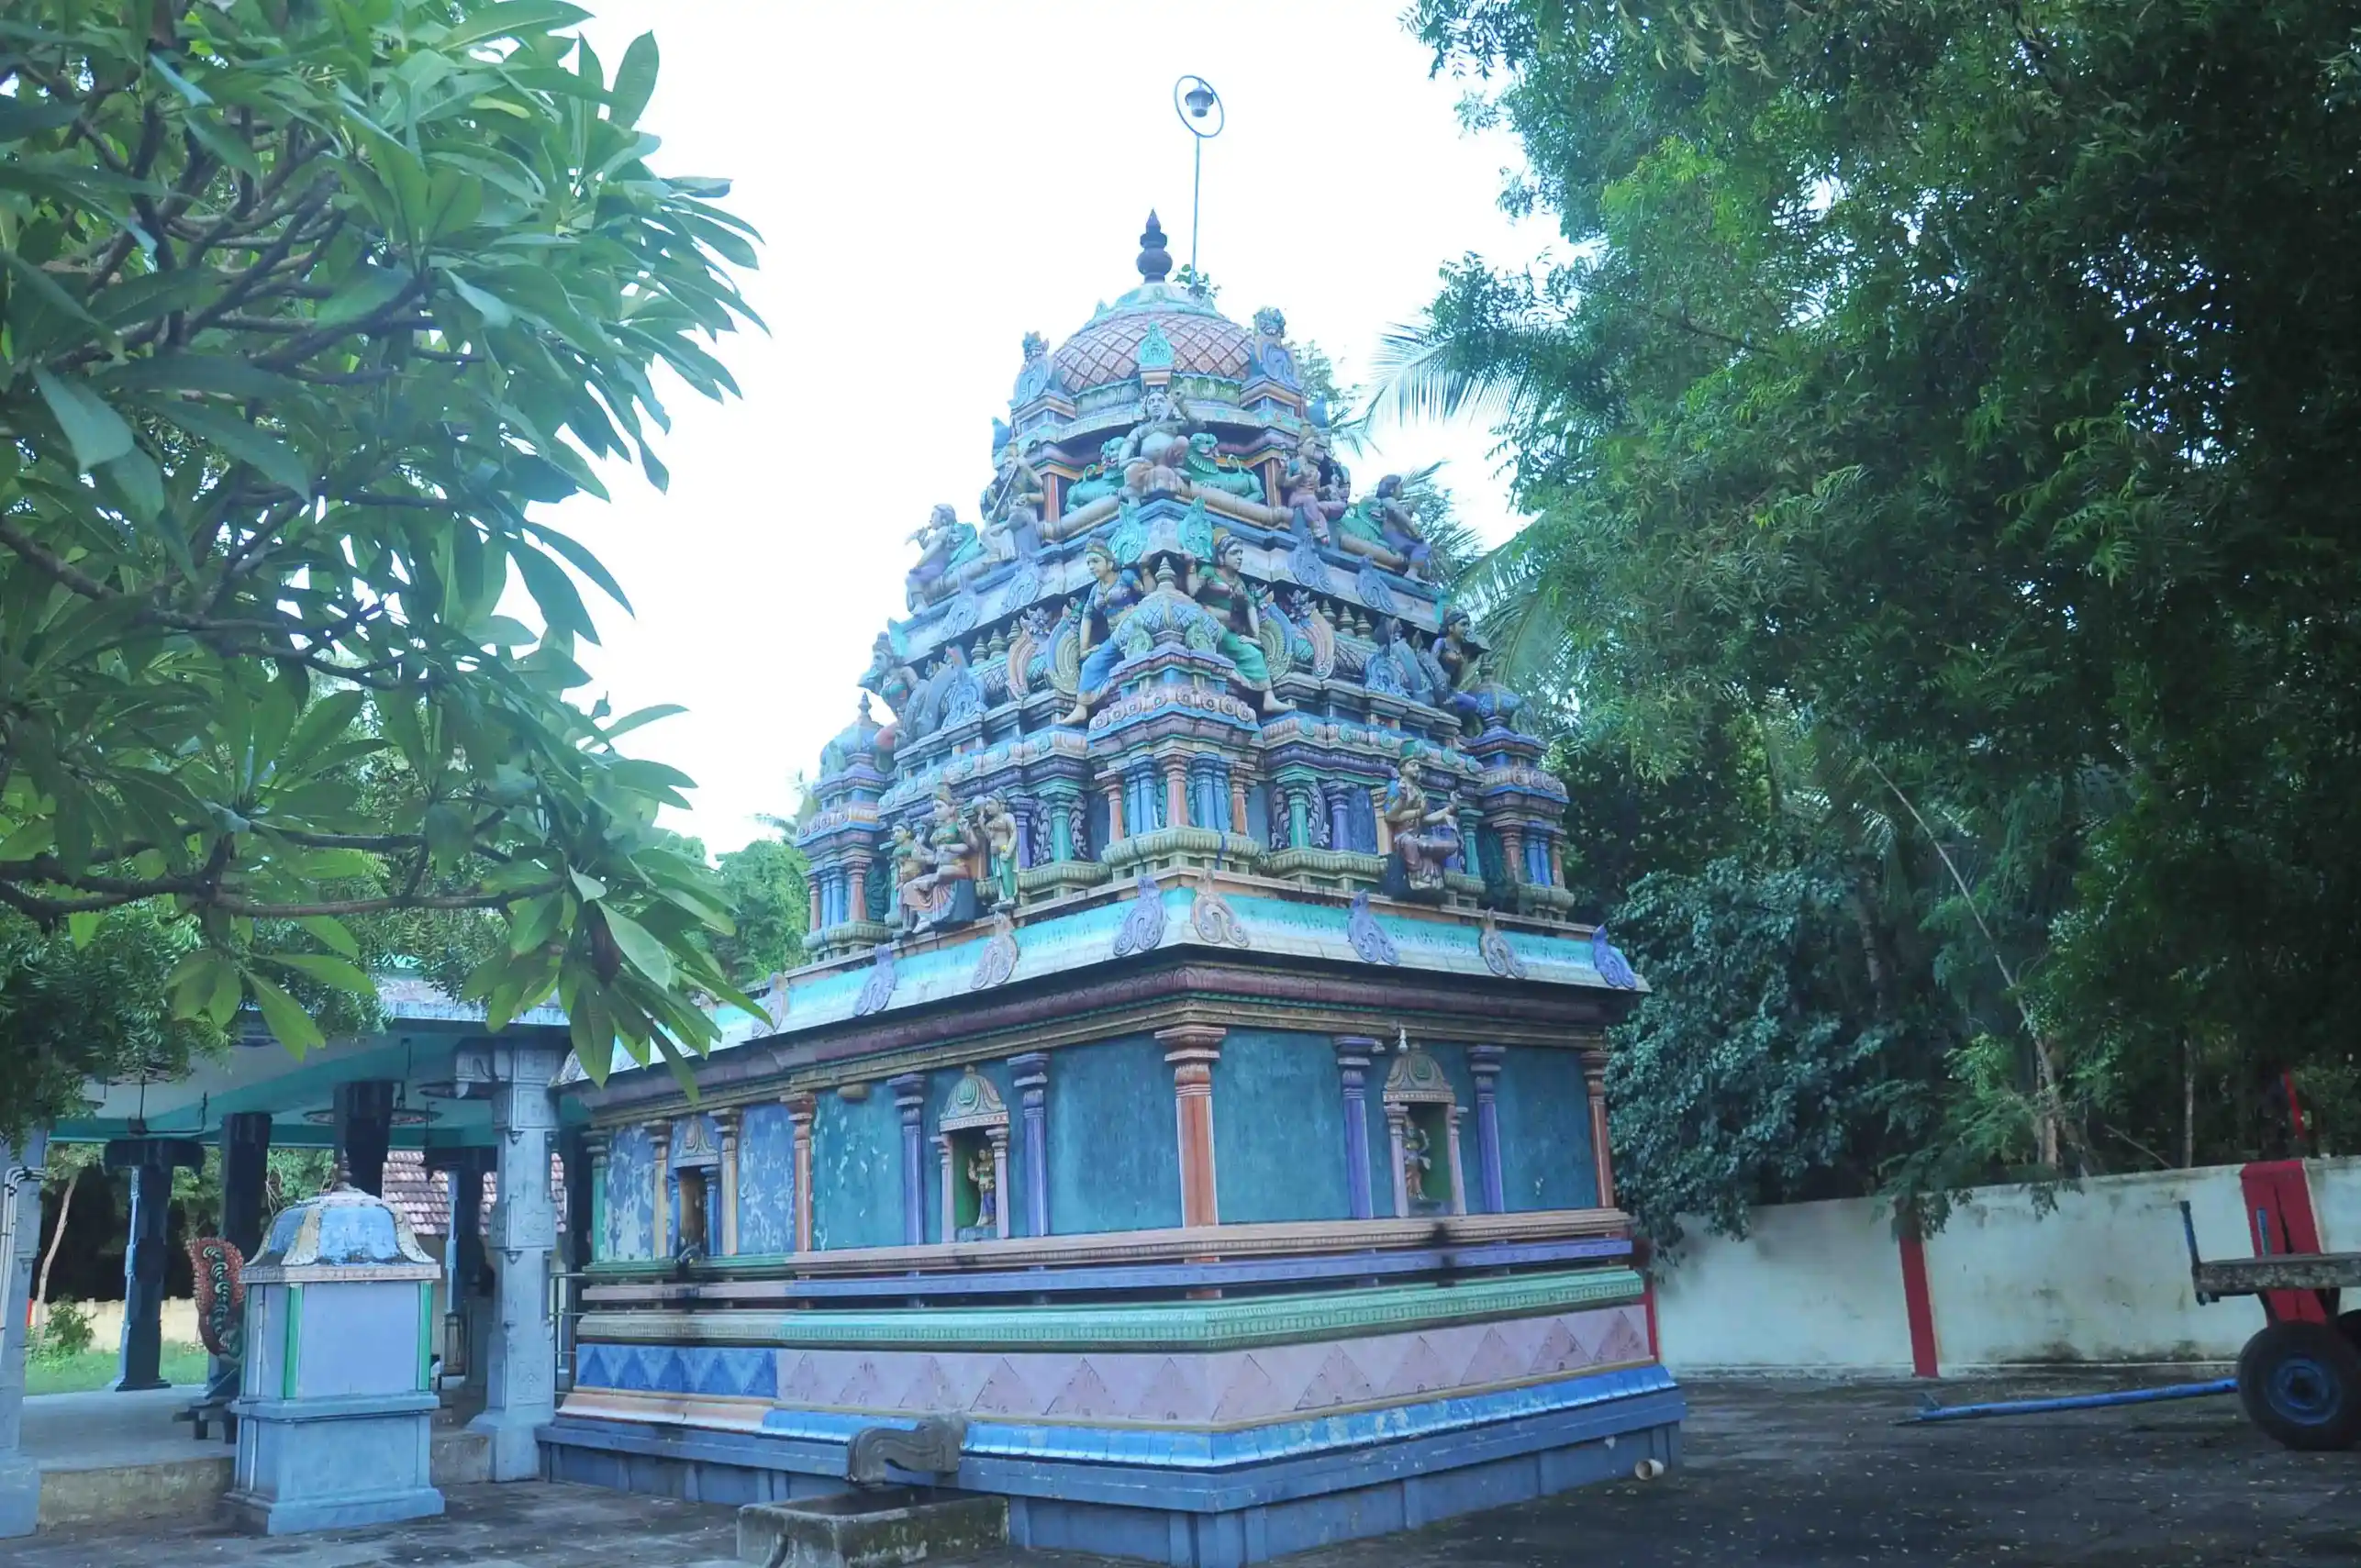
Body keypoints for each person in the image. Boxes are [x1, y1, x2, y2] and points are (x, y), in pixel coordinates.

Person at [1189, 535, 1290, 714]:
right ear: (1221, 556)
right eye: (1234, 553)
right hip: (1209, 627)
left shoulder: (1238, 581)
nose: (1240, 557)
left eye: (1241, 553)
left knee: (1254, 652)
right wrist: (1190, 566)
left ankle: (1269, 697)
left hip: (1229, 630)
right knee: (1241, 652)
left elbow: (1250, 606)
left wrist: (1256, 637)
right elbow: (1191, 592)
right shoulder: (1208, 572)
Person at [1059, 542, 1147, 725]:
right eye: (1089, 563)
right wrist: (1084, 648)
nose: (1091, 566)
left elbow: (1146, 595)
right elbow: (1087, 617)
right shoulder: (1095, 590)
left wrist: (1146, 571)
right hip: (1115, 636)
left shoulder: (1126, 577)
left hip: (1135, 628)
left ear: (1109, 563)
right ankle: (1081, 707)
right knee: (1090, 665)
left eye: (1095, 561)